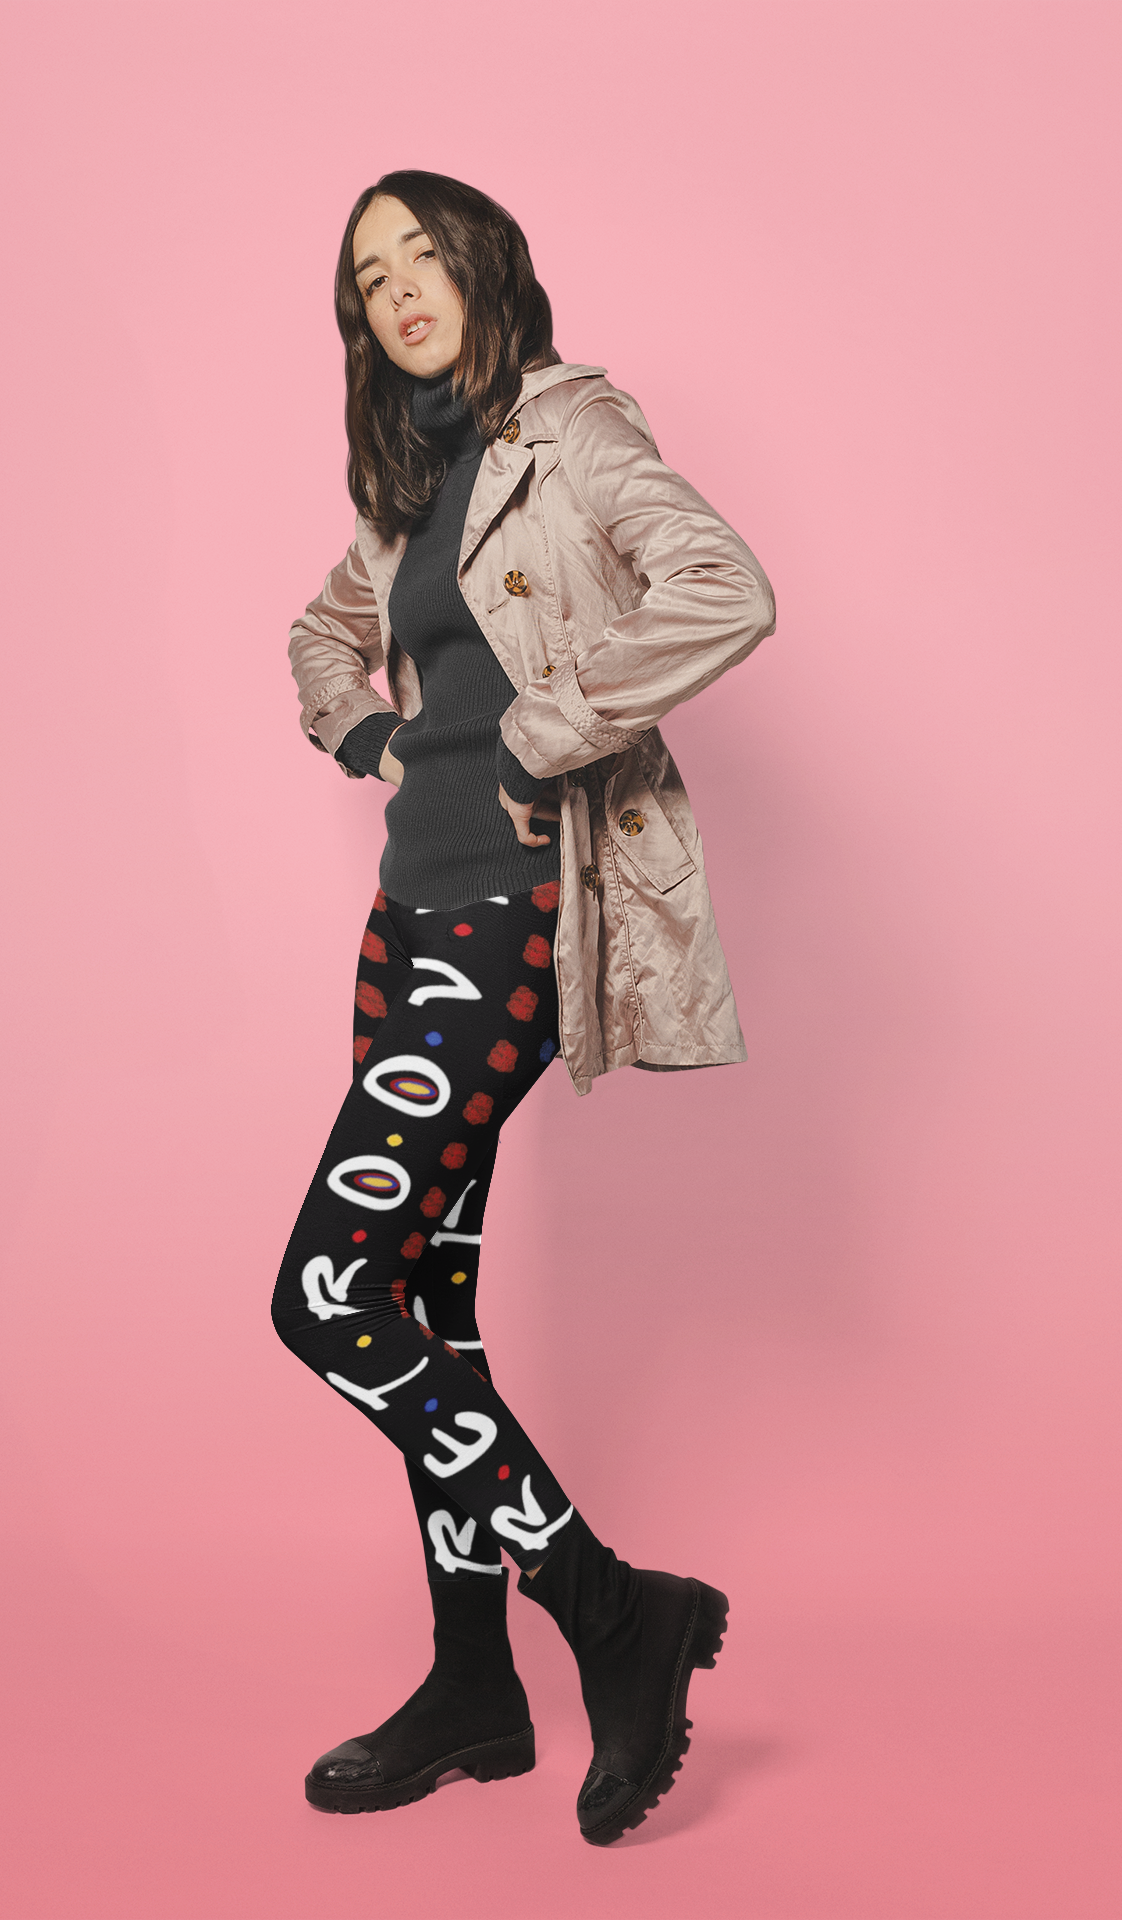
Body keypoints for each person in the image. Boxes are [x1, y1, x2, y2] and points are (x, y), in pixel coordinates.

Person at [274, 170, 775, 1846]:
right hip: (404, 920)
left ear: (488, 267)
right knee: (432, 1305)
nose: (401, 287)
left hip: (507, 922)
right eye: (372, 275)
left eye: (424, 254)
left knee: (330, 1294)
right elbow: (325, 635)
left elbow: (723, 586)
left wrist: (547, 731)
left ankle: (614, 1610)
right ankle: (474, 1686)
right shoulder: (408, 478)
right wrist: (364, 730)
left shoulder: (574, 431)